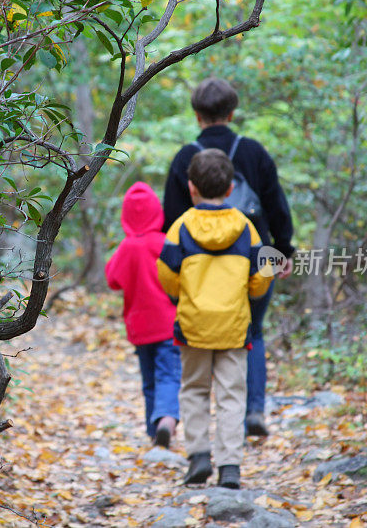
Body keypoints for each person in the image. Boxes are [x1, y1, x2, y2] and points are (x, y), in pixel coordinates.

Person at [162, 77, 294, 437]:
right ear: (232, 113)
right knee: (253, 331)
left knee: (200, 335)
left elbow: (171, 219)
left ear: (196, 115)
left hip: (197, 268)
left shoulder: (185, 157)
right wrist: (283, 251)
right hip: (253, 258)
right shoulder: (254, 152)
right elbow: (277, 206)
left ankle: (200, 426)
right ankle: (252, 411)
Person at [158, 148, 273, 488]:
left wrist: (182, 294)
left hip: (192, 327)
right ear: (229, 190)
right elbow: (261, 275)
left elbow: (166, 271)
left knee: (193, 390)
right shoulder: (246, 228)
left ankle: (198, 457)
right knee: (231, 395)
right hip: (234, 328)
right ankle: (230, 467)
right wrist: (250, 294)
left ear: (191, 188)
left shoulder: (181, 228)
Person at [105, 182, 181, 448]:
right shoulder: (165, 243)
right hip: (168, 325)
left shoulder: (127, 247)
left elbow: (112, 279)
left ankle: (153, 431)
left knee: (149, 380)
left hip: (140, 328)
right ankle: (167, 420)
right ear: (156, 212)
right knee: (169, 375)